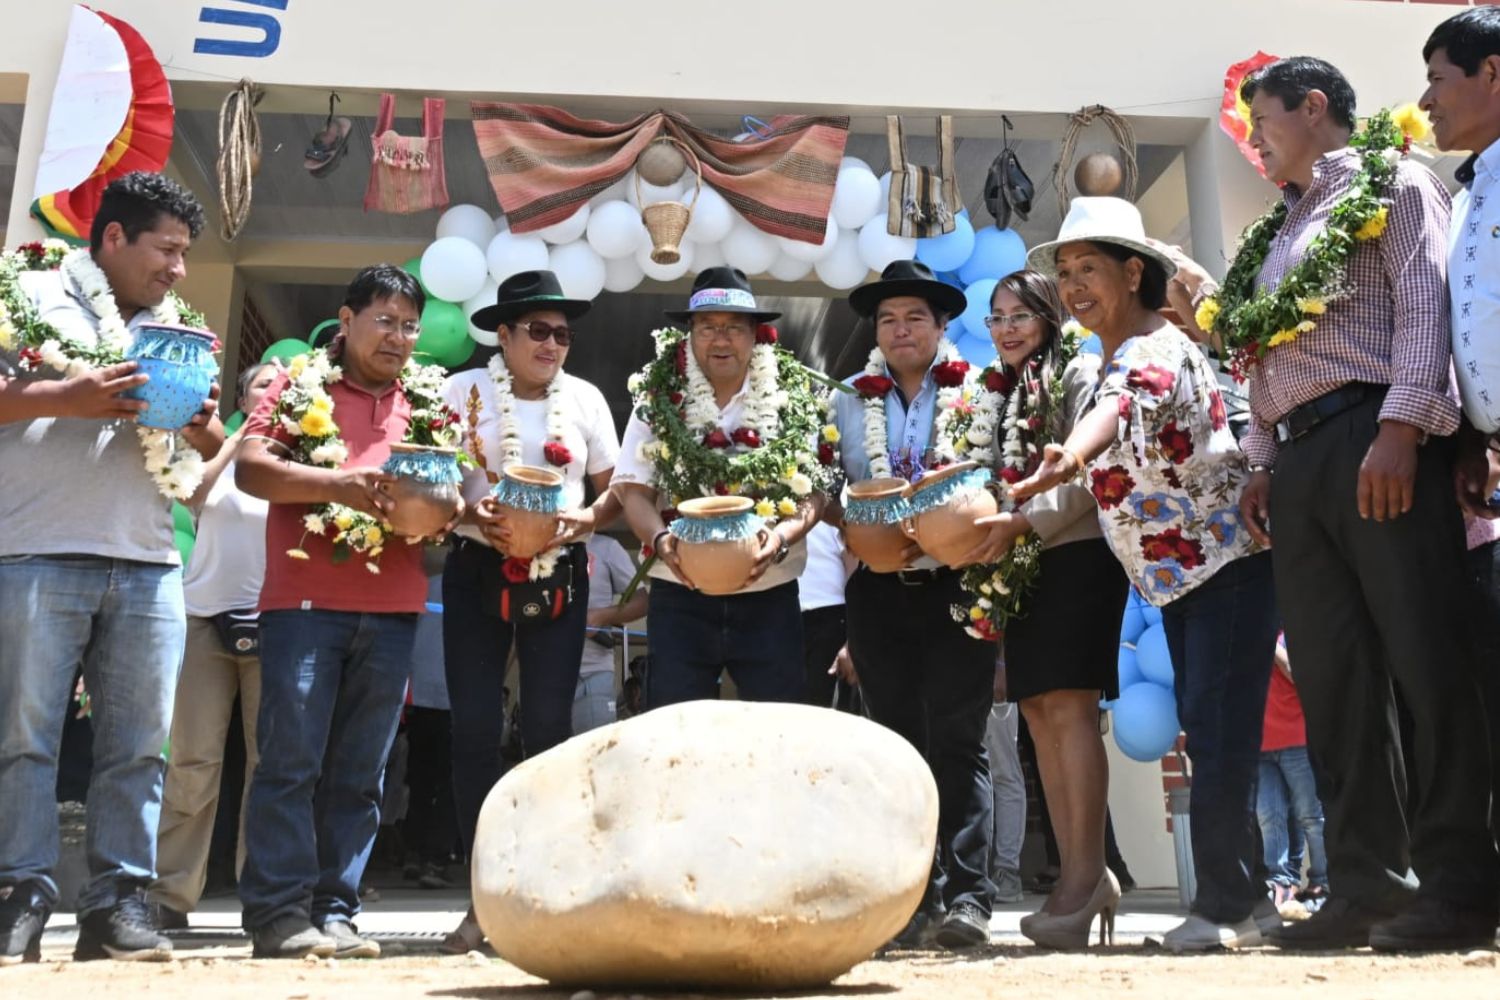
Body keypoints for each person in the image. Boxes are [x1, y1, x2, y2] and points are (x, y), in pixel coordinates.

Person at [1180, 55, 1499, 951]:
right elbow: (1261, 361)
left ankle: (1460, 884)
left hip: (1378, 434)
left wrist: (1403, 428)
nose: (1254, 140)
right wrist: (1259, 458)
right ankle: (1367, 884)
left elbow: (1425, 308)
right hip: (1300, 461)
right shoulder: (1276, 230)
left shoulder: (1395, 183)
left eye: (1263, 122)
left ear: (1313, 107)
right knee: (1334, 680)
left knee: (1424, 665)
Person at [1012, 197, 1281, 951]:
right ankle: (1250, 905)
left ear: (1134, 273)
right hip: (1185, 580)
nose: (1072, 287)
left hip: (1227, 566)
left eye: (1088, 269)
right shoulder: (1110, 354)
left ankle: (1224, 907)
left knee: (1219, 735)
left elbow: (1122, 409)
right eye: (1064, 273)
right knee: (1212, 729)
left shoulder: (1149, 351)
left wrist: (1069, 453)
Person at [0, 172, 217, 965]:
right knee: (24, 738)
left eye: (187, 254)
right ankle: (18, 894)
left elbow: (210, 449)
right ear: (114, 238)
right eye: (167, 249)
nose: (178, 270)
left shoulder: (180, 328)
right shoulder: (25, 293)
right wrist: (67, 394)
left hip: (149, 558)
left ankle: (119, 905)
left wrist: (201, 424)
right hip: (34, 549)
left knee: (139, 747)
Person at [235, 263, 459, 960]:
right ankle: (278, 913)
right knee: (291, 762)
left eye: (410, 326)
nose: (399, 337)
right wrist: (344, 485)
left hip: (395, 608)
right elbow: (250, 470)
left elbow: (447, 494)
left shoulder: (427, 402)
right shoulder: (296, 383)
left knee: (362, 773)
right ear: (348, 318)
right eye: (385, 320)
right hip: (304, 606)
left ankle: (336, 911)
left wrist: (443, 512)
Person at [440, 269, 621, 953]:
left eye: (563, 334)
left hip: (560, 570)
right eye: (539, 331)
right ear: (504, 335)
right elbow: (436, 474)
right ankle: (481, 895)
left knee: (549, 728)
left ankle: (543, 889)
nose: (553, 345)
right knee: (475, 729)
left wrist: (582, 521)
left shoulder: (587, 399)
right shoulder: (463, 390)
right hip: (476, 565)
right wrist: (465, 510)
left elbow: (613, 489)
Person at [825, 260, 997, 950]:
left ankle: (968, 898)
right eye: (889, 318)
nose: (900, 330)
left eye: (915, 317)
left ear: (942, 325)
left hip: (957, 584)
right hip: (878, 591)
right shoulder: (846, 397)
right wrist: (855, 525)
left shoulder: (980, 390)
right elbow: (827, 485)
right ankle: (905, 899)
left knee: (960, 737)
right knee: (891, 743)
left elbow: (998, 480)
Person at [957, 269, 1129, 948]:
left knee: (1071, 708)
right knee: (1035, 713)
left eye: (1020, 315)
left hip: (1075, 556)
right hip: (1019, 562)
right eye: (996, 317)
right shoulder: (992, 394)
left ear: (1050, 317)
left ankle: (1085, 877)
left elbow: (1090, 471)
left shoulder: (1081, 372)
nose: (1005, 328)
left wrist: (1023, 523)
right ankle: (1078, 878)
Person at [612, 267, 828, 708]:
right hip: (680, 589)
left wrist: (781, 538)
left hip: (768, 589)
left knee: (778, 727)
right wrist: (660, 540)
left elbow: (816, 493)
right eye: (707, 327)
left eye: (733, 327)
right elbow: (634, 491)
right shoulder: (657, 398)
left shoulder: (794, 397)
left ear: (756, 335)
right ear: (689, 335)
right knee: (677, 726)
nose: (720, 339)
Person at [150, 361, 279, 929]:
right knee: (193, 763)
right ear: (241, 395)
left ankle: (264, 899)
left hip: (276, 625)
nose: (270, 391)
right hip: (205, 619)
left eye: (280, 385)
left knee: (268, 767)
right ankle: (168, 897)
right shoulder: (214, 453)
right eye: (260, 384)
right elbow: (193, 492)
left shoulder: (303, 454)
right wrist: (238, 439)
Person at [1422, 4, 1500, 869]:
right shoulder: (1470, 188)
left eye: (1441, 78)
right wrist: (1475, 436)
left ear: (1494, 75)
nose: (1429, 100)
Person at [1257, 634, 1329, 913]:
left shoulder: (1294, 630)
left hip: (1296, 738)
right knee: (1269, 817)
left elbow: (1301, 675)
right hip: (1260, 743)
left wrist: (1271, 647)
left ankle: (1323, 883)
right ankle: (1282, 883)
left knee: (1311, 816)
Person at [576, 532, 648, 734]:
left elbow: (642, 602)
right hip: (542, 671)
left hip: (593, 671)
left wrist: (601, 616)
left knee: (595, 755)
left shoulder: (606, 547)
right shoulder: (532, 543)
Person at [799, 521, 858, 710]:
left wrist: (852, 642)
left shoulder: (834, 504)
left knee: (825, 717)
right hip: (783, 619)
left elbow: (855, 573)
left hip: (831, 620)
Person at [984, 658, 1026, 908]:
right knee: (963, 769)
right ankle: (971, 870)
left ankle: (1007, 871)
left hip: (989, 667)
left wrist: (1000, 664)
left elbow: (1000, 618)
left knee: (1004, 772)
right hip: (952, 669)